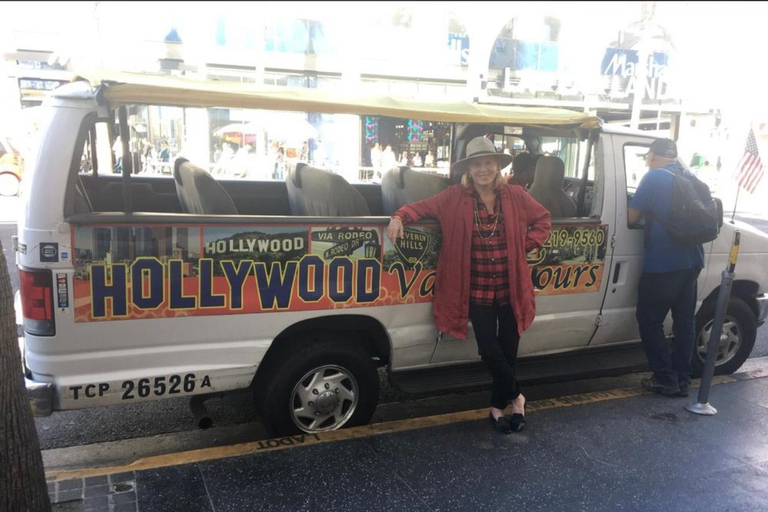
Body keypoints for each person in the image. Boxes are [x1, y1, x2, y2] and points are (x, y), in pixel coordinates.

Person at [387, 136, 551, 434]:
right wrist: (399, 217)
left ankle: (497, 407)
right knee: (489, 349)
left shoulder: (515, 196)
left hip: (511, 286)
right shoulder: (453, 197)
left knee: (508, 349)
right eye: (477, 164)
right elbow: (419, 207)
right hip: (476, 289)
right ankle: (518, 397)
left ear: (497, 167)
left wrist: (527, 244)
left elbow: (543, 219)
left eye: (489, 163)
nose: (483, 169)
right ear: (469, 170)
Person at [628, 138, 704, 398]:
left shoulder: (653, 178)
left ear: (652, 156)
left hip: (662, 263)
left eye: (648, 157)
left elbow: (631, 217)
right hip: (692, 260)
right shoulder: (689, 175)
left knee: (649, 321)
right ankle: (683, 379)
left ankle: (666, 379)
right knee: (684, 322)